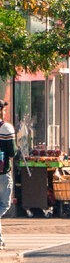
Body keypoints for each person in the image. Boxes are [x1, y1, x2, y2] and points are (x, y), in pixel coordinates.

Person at [0, 100, 13, 247]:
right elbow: (12, 151)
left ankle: (0, 239)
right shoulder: (6, 127)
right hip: (3, 171)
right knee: (5, 204)